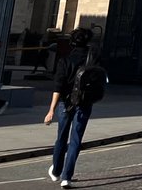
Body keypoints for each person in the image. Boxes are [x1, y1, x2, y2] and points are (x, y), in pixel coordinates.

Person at [45, 27, 102, 189]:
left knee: (61, 138)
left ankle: (56, 171)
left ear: (72, 42)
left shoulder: (65, 61)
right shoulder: (93, 60)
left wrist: (50, 110)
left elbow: (58, 87)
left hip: (65, 103)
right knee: (76, 140)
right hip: (85, 103)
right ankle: (67, 177)